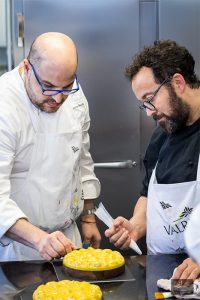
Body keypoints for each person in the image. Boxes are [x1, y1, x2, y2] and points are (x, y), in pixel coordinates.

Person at [0, 32, 101, 261]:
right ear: (27, 68)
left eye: (66, 87)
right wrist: (39, 240)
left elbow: (81, 159)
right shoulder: (5, 106)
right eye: (48, 87)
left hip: (67, 238)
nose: (57, 99)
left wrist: (88, 216)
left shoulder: (73, 95)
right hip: (15, 247)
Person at [105, 40, 200, 280]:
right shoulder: (163, 132)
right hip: (162, 273)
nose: (149, 112)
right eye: (143, 104)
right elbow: (149, 195)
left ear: (177, 83)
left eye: (150, 99)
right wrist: (136, 225)